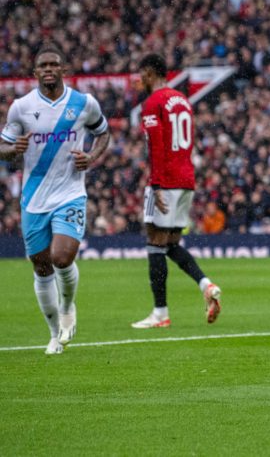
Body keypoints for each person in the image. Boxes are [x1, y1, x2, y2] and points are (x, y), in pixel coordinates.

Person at [0, 46, 110, 354]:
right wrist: (13, 149)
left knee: (62, 257)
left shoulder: (83, 103)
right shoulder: (21, 108)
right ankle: (53, 334)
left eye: (54, 64)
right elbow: (3, 147)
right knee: (41, 266)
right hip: (34, 199)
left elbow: (104, 133)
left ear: (63, 70)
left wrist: (91, 157)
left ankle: (67, 306)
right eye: (43, 65)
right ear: (35, 73)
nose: (49, 69)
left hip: (70, 193)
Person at [131, 54, 222, 329]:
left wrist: (156, 184)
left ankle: (160, 313)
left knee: (154, 242)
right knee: (170, 243)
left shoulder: (153, 103)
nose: (139, 80)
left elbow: (156, 146)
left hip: (166, 179)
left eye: (141, 74)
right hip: (186, 178)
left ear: (149, 73)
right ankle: (206, 285)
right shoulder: (183, 100)